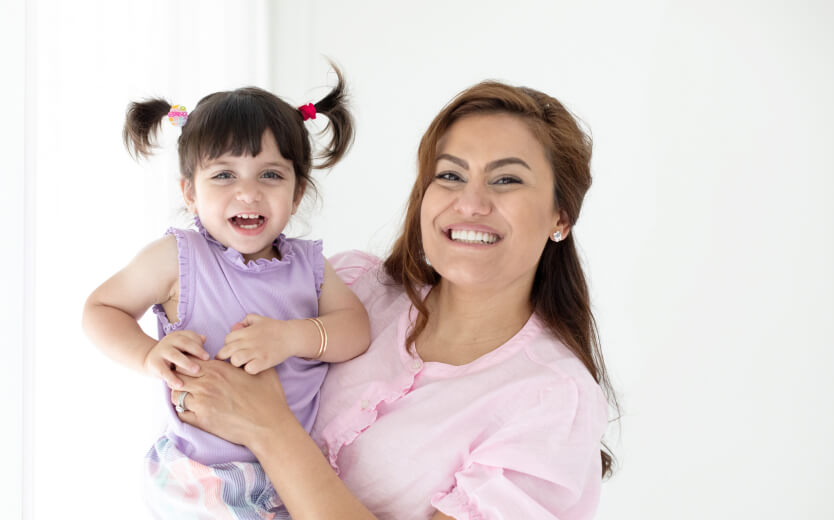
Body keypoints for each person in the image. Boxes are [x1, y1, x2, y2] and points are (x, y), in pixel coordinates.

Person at [168, 80, 616, 519]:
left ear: (561, 215)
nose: (471, 202)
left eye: (506, 179)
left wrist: (271, 430)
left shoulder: (554, 401)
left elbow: (254, 412)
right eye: (450, 175)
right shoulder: (351, 286)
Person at [82, 67, 371, 519]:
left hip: (285, 476)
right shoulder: (180, 257)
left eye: (271, 175)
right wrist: (148, 354)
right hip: (196, 477)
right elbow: (101, 308)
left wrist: (292, 337)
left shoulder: (310, 266)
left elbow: (355, 330)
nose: (248, 193)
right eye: (224, 176)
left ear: (297, 195)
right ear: (190, 193)